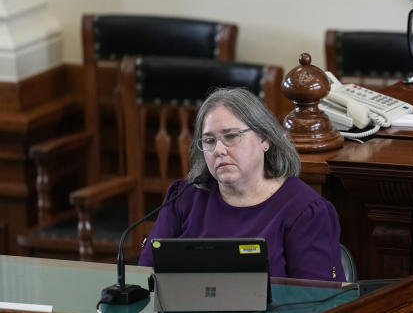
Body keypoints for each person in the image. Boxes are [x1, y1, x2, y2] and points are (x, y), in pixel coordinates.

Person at [138, 87, 345, 281]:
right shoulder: (183, 198)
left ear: (264, 139)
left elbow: (317, 303)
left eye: (231, 136)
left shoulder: (305, 211)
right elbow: (146, 276)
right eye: (209, 141)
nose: (219, 149)